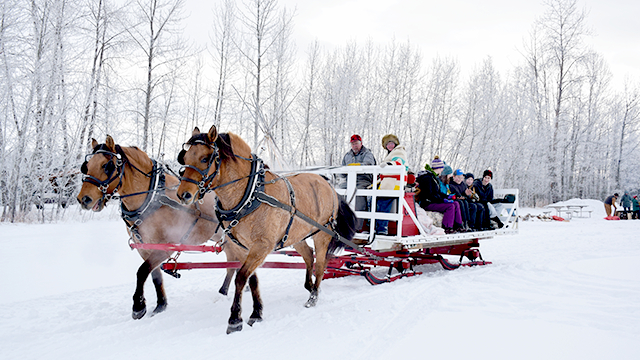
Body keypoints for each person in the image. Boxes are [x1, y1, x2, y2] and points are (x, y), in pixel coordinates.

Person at [414, 156, 464, 234]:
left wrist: (447, 197)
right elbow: (429, 195)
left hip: (434, 201)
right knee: (450, 206)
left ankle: (459, 226)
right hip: (428, 203)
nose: (442, 170)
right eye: (441, 168)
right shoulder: (427, 178)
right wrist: (442, 200)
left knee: (456, 203)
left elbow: (437, 193)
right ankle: (447, 227)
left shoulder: (434, 177)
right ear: (438, 168)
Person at [341, 134, 377, 230]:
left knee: (359, 194)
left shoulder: (367, 154)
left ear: (361, 143)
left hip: (363, 180)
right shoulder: (347, 155)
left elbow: (368, 165)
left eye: (356, 143)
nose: (354, 146)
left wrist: (356, 166)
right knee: (339, 191)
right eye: (352, 144)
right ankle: (341, 223)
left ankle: (358, 226)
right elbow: (342, 169)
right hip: (349, 180)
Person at [375, 134, 408, 235]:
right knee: (375, 200)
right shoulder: (391, 153)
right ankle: (376, 225)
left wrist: (389, 165)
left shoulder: (399, 151)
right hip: (389, 182)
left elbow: (399, 162)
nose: (390, 146)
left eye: (391, 143)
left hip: (395, 183)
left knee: (383, 201)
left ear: (395, 143)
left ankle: (382, 228)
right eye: (387, 144)